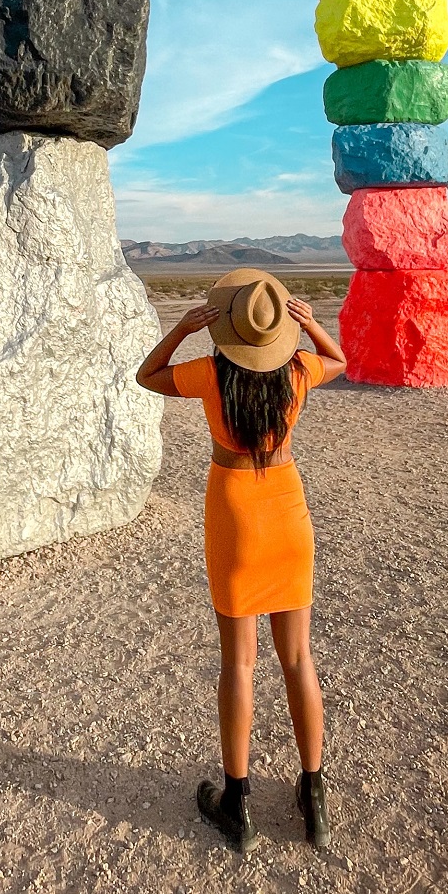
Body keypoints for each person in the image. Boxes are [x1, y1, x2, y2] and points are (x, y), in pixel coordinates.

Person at [136, 270, 346, 854]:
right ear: (278, 330)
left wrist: (181, 328)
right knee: (299, 657)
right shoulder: (300, 369)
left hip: (234, 511)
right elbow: (343, 361)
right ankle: (314, 793)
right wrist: (312, 327)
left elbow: (146, 375)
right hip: (287, 508)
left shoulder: (210, 373)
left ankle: (237, 800)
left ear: (228, 330)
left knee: (241, 664)